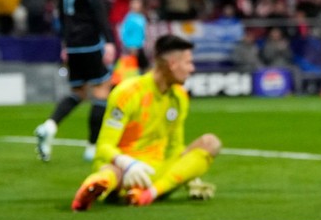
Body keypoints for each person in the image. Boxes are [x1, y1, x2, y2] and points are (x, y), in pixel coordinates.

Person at [71, 34, 220, 210]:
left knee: (211, 143)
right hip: (124, 168)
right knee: (110, 172)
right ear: (172, 64)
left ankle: (147, 193)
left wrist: (190, 176)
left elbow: (175, 148)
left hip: (156, 168)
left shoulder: (179, 97)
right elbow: (103, 146)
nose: (192, 69)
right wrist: (128, 164)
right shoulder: (128, 93)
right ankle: (93, 189)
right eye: (188, 62)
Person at [34, 0, 118, 163]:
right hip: (91, 36)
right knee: (102, 90)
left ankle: (50, 126)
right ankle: (92, 147)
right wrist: (109, 40)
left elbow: (61, 6)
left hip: (72, 37)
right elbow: (98, 5)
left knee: (79, 91)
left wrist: (64, 41)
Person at [120, 0, 149, 70]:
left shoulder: (142, 17)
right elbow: (124, 32)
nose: (136, 5)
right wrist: (129, 45)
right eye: (134, 3)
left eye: (138, 3)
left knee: (142, 66)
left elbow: (143, 31)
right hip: (132, 46)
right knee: (133, 66)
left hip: (140, 46)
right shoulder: (129, 18)